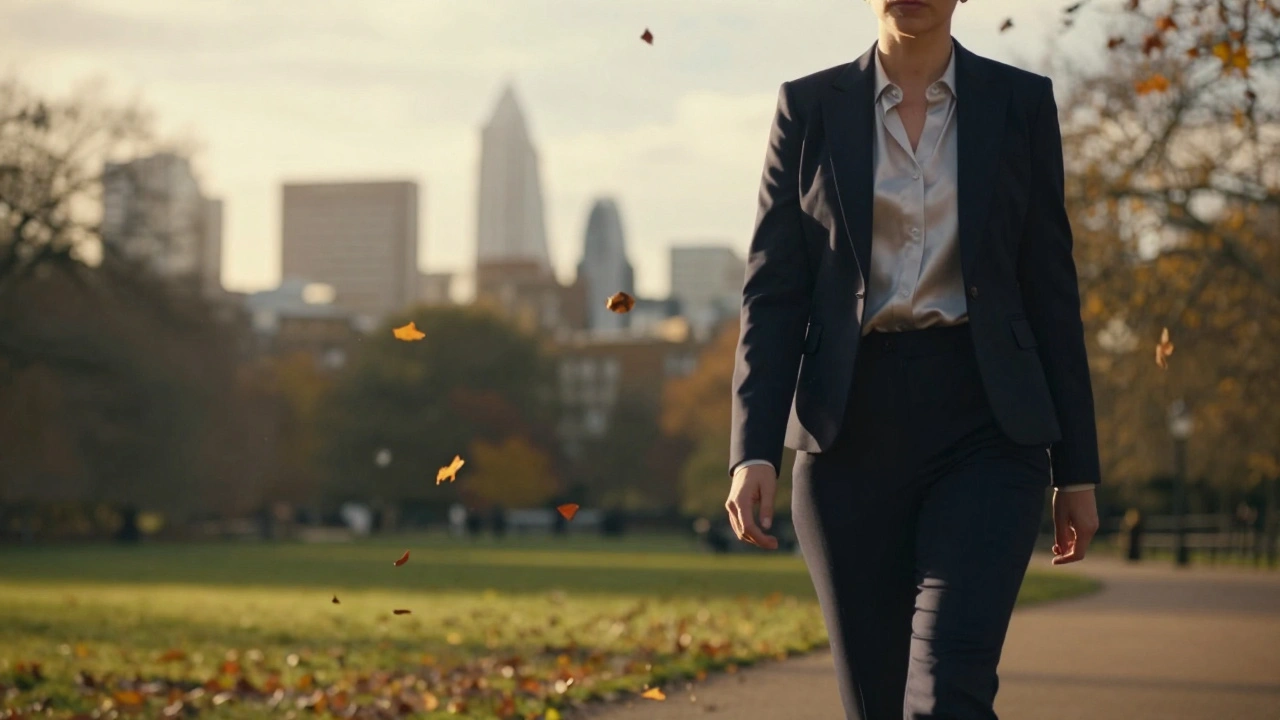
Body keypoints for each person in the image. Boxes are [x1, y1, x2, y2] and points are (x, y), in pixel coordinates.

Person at [723, 2, 1102, 718]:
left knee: (948, 686)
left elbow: (1050, 290)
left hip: (988, 423)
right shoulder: (808, 107)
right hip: (848, 433)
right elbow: (774, 293)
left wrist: (1075, 467)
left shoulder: (1019, 102)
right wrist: (753, 452)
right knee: (875, 702)